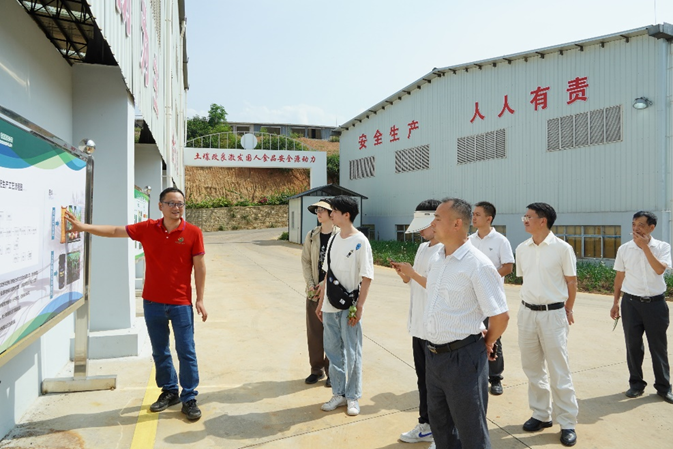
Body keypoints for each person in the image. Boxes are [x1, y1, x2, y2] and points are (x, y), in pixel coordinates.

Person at [64, 187, 207, 421]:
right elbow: (114, 231)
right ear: (160, 206)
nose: (176, 207)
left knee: (186, 351)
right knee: (160, 351)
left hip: (181, 304)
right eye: (171, 203)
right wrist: (84, 227)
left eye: (180, 203)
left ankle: (189, 397)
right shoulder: (147, 228)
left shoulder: (193, 232)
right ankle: (170, 391)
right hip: (152, 303)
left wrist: (199, 298)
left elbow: (200, 267)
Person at [423, 198, 509, 449]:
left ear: (457, 224)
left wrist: (488, 342)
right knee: (441, 428)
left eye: (437, 218)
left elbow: (500, 316)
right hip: (434, 356)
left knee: (471, 432)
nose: (432, 223)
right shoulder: (437, 258)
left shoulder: (477, 264)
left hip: (463, 358)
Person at [515, 203, 578, 446]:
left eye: (529, 216)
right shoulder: (522, 248)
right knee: (532, 367)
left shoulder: (562, 249)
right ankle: (541, 414)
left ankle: (567, 422)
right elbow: (527, 279)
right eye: (524, 216)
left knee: (559, 369)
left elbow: (571, 282)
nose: (524, 220)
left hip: (553, 314)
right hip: (527, 313)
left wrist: (568, 309)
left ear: (543, 220)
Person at [391, 199, 443, 447]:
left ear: (436, 221)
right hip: (419, 328)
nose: (420, 231)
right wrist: (405, 275)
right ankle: (426, 425)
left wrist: (413, 273)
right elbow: (415, 283)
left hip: (436, 330)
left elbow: (438, 288)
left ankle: (442, 433)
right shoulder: (423, 248)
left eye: (423, 225)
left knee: (438, 384)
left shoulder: (445, 251)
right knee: (423, 380)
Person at [316, 195, 374, 416]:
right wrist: (321, 302)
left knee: (352, 352)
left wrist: (360, 307)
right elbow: (327, 274)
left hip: (349, 306)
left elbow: (366, 277)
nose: (331, 214)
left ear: (346, 214)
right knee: (333, 351)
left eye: (334, 211)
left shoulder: (361, 241)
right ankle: (338, 393)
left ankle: (353, 396)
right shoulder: (333, 238)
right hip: (329, 306)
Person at [610, 211, 673, 404]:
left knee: (658, 347)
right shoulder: (624, 249)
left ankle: (664, 387)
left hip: (656, 304)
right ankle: (636, 384)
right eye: (634, 224)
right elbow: (619, 277)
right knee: (633, 346)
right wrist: (615, 302)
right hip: (631, 304)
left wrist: (645, 247)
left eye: (641, 225)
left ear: (652, 228)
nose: (636, 228)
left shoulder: (662, 247)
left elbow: (659, 269)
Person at [469, 201, 514, 396]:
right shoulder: (469, 240)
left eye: (477, 214)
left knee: (493, 337)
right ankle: (473, 374)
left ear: (489, 218)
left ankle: (495, 378)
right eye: (473, 214)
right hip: (471, 298)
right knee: (471, 335)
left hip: (491, 297)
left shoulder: (500, 241)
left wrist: (487, 278)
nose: (473, 217)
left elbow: (508, 266)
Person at [301, 199, 339, 387]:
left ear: (332, 213)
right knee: (314, 334)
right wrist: (310, 285)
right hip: (314, 292)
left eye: (322, 210)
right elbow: (306, 261)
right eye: (316, 210)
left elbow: (339, 264)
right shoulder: (311, 236)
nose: (318, 213)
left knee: (332, 334)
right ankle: (316, 370)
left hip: (332, 292)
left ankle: (332, 371)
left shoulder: (340, 235)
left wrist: (324, 285)